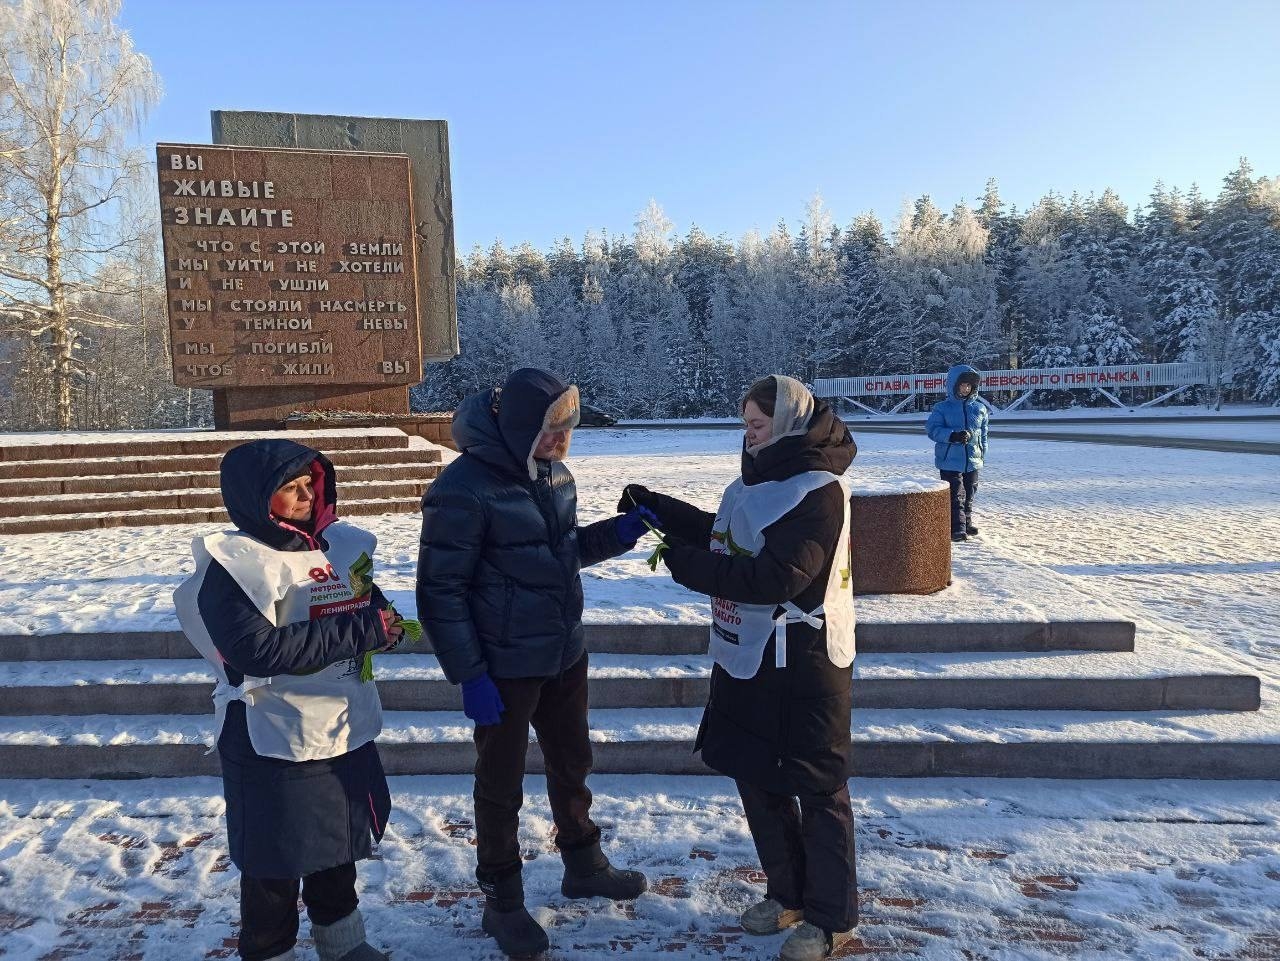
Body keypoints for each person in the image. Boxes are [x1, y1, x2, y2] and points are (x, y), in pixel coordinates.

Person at [416, 368, 655, 958]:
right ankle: (502, 898)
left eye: (567, 428)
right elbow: (439, 590)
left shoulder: (555, 475)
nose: (562, 441)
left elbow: (559, 554)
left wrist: (617, 535)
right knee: (500, 784)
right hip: (502, 663)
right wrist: (469, 674)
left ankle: (583, 862)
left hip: (562, 649)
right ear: (522, 425)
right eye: (552, 429)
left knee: (573, 759)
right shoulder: (462, 488)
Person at [620, 374, 858, 961]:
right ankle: (788, 893)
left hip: (804, 663)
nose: (747, 437)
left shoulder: (818, 490)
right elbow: (729, 540)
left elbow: (777, 576)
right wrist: (663, 511)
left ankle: (832, 918)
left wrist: (684, 565)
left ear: (786, 426)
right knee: (757, 773)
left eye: (756, 426)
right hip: (749, 656)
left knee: (818, 787)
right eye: (746, 425)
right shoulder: (753, 484)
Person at [173, 439, 403, 961]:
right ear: (256, 498)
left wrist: (388, 627)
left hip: (342, 724)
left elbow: (374, 605)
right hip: (272, 732)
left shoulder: (343, 548)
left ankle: (343, 945)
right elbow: (256, 650)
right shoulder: (232, 565)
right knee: (272, 863)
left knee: (336, 847)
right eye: (289, 488)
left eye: (310, 485)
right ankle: (269, 952)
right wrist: (364, 630)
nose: (305, 496)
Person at [925, 364, 989, 542]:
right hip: (949, 460)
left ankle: (966, 522)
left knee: (970, 492)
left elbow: (983, 434)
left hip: (972, 459)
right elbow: (932, 429)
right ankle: (957, 527)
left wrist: (982, 452)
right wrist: (952, 435)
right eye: (962, 385)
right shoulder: (942, 408)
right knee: (955, 494)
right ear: (953, 385)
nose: (966, 389)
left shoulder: (980, 408)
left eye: (969, 386)